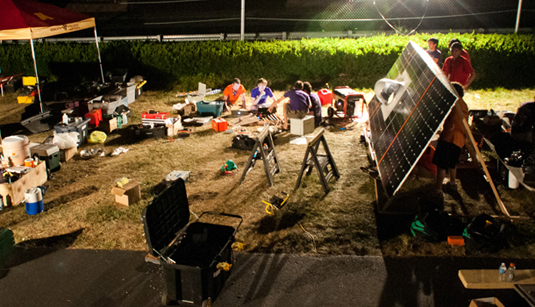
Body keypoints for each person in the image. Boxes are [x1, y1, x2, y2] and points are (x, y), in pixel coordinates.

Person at [432, 82, 469, 196]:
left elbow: (440, 113)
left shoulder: (453, 103)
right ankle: (452, 183)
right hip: (459, 140)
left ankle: (438, 189)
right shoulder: (463, 104)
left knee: (441, 165)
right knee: (452, 164)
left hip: (449, 138)